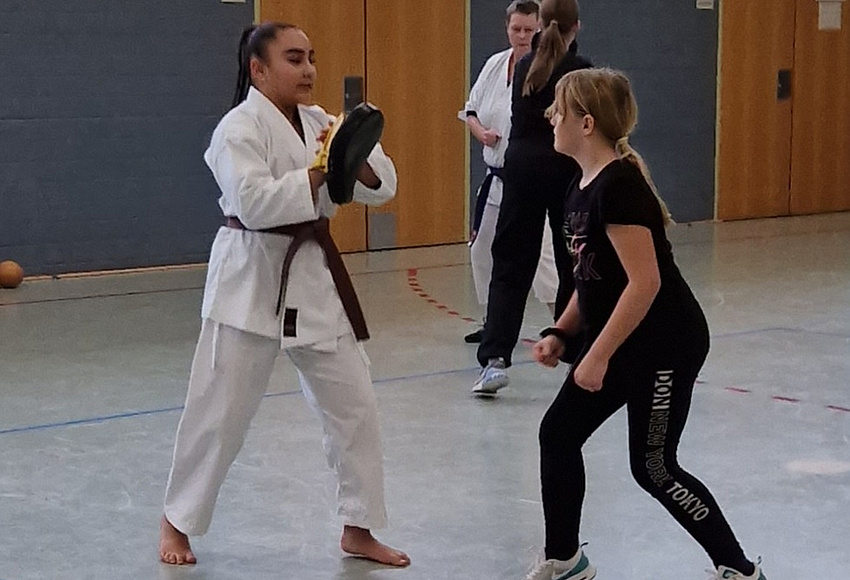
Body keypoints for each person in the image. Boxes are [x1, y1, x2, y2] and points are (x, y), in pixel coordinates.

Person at [158, 22, 409, 569]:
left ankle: (359, 526)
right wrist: (320, 171)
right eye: (294, 59)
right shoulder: (236, 129)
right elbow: (253, 205)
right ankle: (176, 521)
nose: (309, 70)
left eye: (311, 58)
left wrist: (352, 155)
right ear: (259, 69)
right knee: (218, 413)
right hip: (250, 279)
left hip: (314, 279)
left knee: (356, 407)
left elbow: (383, 187)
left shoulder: (323, 122)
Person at [525, 67, 766, 580]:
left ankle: (738, 569)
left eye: (559, 111)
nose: (551, 118)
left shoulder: (621, 188)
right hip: (621, 336)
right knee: (559, 434)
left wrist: (595, 356)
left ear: (586, 123)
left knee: (653, 467)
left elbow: (644, 284)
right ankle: (565, 558)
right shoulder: (580, 185)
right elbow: (593, 282)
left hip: (664, 344)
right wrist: (562, 332)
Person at [474, 0, 591, 395]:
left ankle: (493, 360)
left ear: (539, 25)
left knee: (510, 266)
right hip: (564, 173)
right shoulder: (581, 72)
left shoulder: (526, 66)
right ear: (577, 26)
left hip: (520, 171)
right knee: (573, 264)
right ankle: (575, 349)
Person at [460, 0, 559, 344]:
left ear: (540, 30)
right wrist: (481, 133)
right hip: (496, 177)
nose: (521, 35)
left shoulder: (548, 70)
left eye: (529, 30)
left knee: (544, 259)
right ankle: (493, 322)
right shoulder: (494, 65)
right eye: (516, 29)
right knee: (481, 250)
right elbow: (470, 111)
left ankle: (565, 324)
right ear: (507, 28)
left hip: (532, 181)